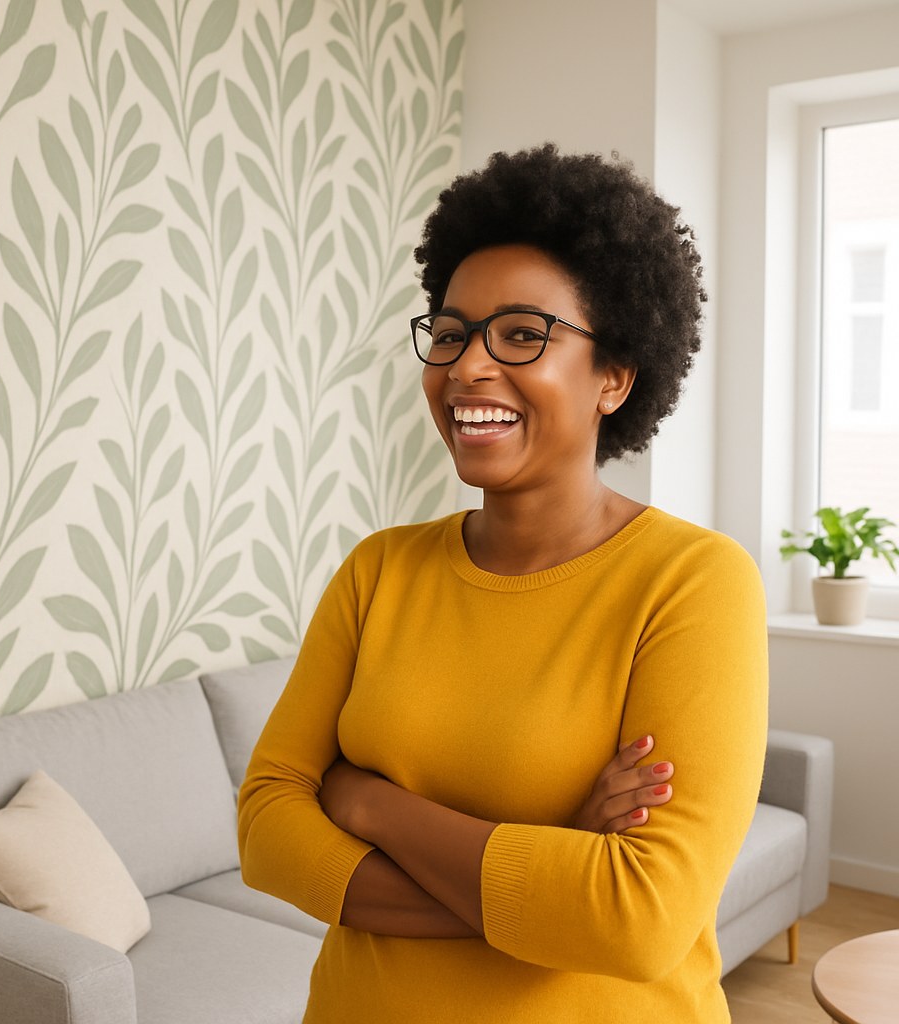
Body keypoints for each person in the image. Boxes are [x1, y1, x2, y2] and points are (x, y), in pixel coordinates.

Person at [238, 144, 768, 1023]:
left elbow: (638, 921)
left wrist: (367, 799)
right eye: (450, 334)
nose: (469, 367)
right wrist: (549, 872)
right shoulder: (378, 571)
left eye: (523, 334)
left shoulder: (693, 582)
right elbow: (265, 830)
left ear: (614, 376)